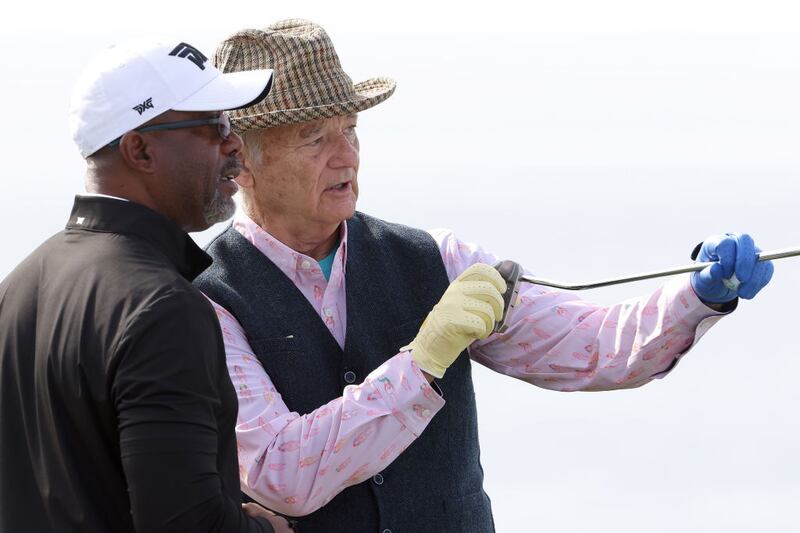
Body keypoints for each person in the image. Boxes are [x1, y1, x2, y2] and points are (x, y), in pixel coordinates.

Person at [194, 19, 775, 533]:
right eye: (314, 137)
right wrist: (420, 364)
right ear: (241, 161)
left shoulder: (439, 259)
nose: (346, 155)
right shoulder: (205, 302)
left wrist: (698, 297)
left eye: (350, 128)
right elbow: (280, 472)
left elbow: (596, 348)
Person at [0, 38, 292, 532]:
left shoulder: (17, 287)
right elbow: (184, 525)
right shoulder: (162, 308)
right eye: (214, 126)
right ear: (139, 149)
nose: (234, 144)